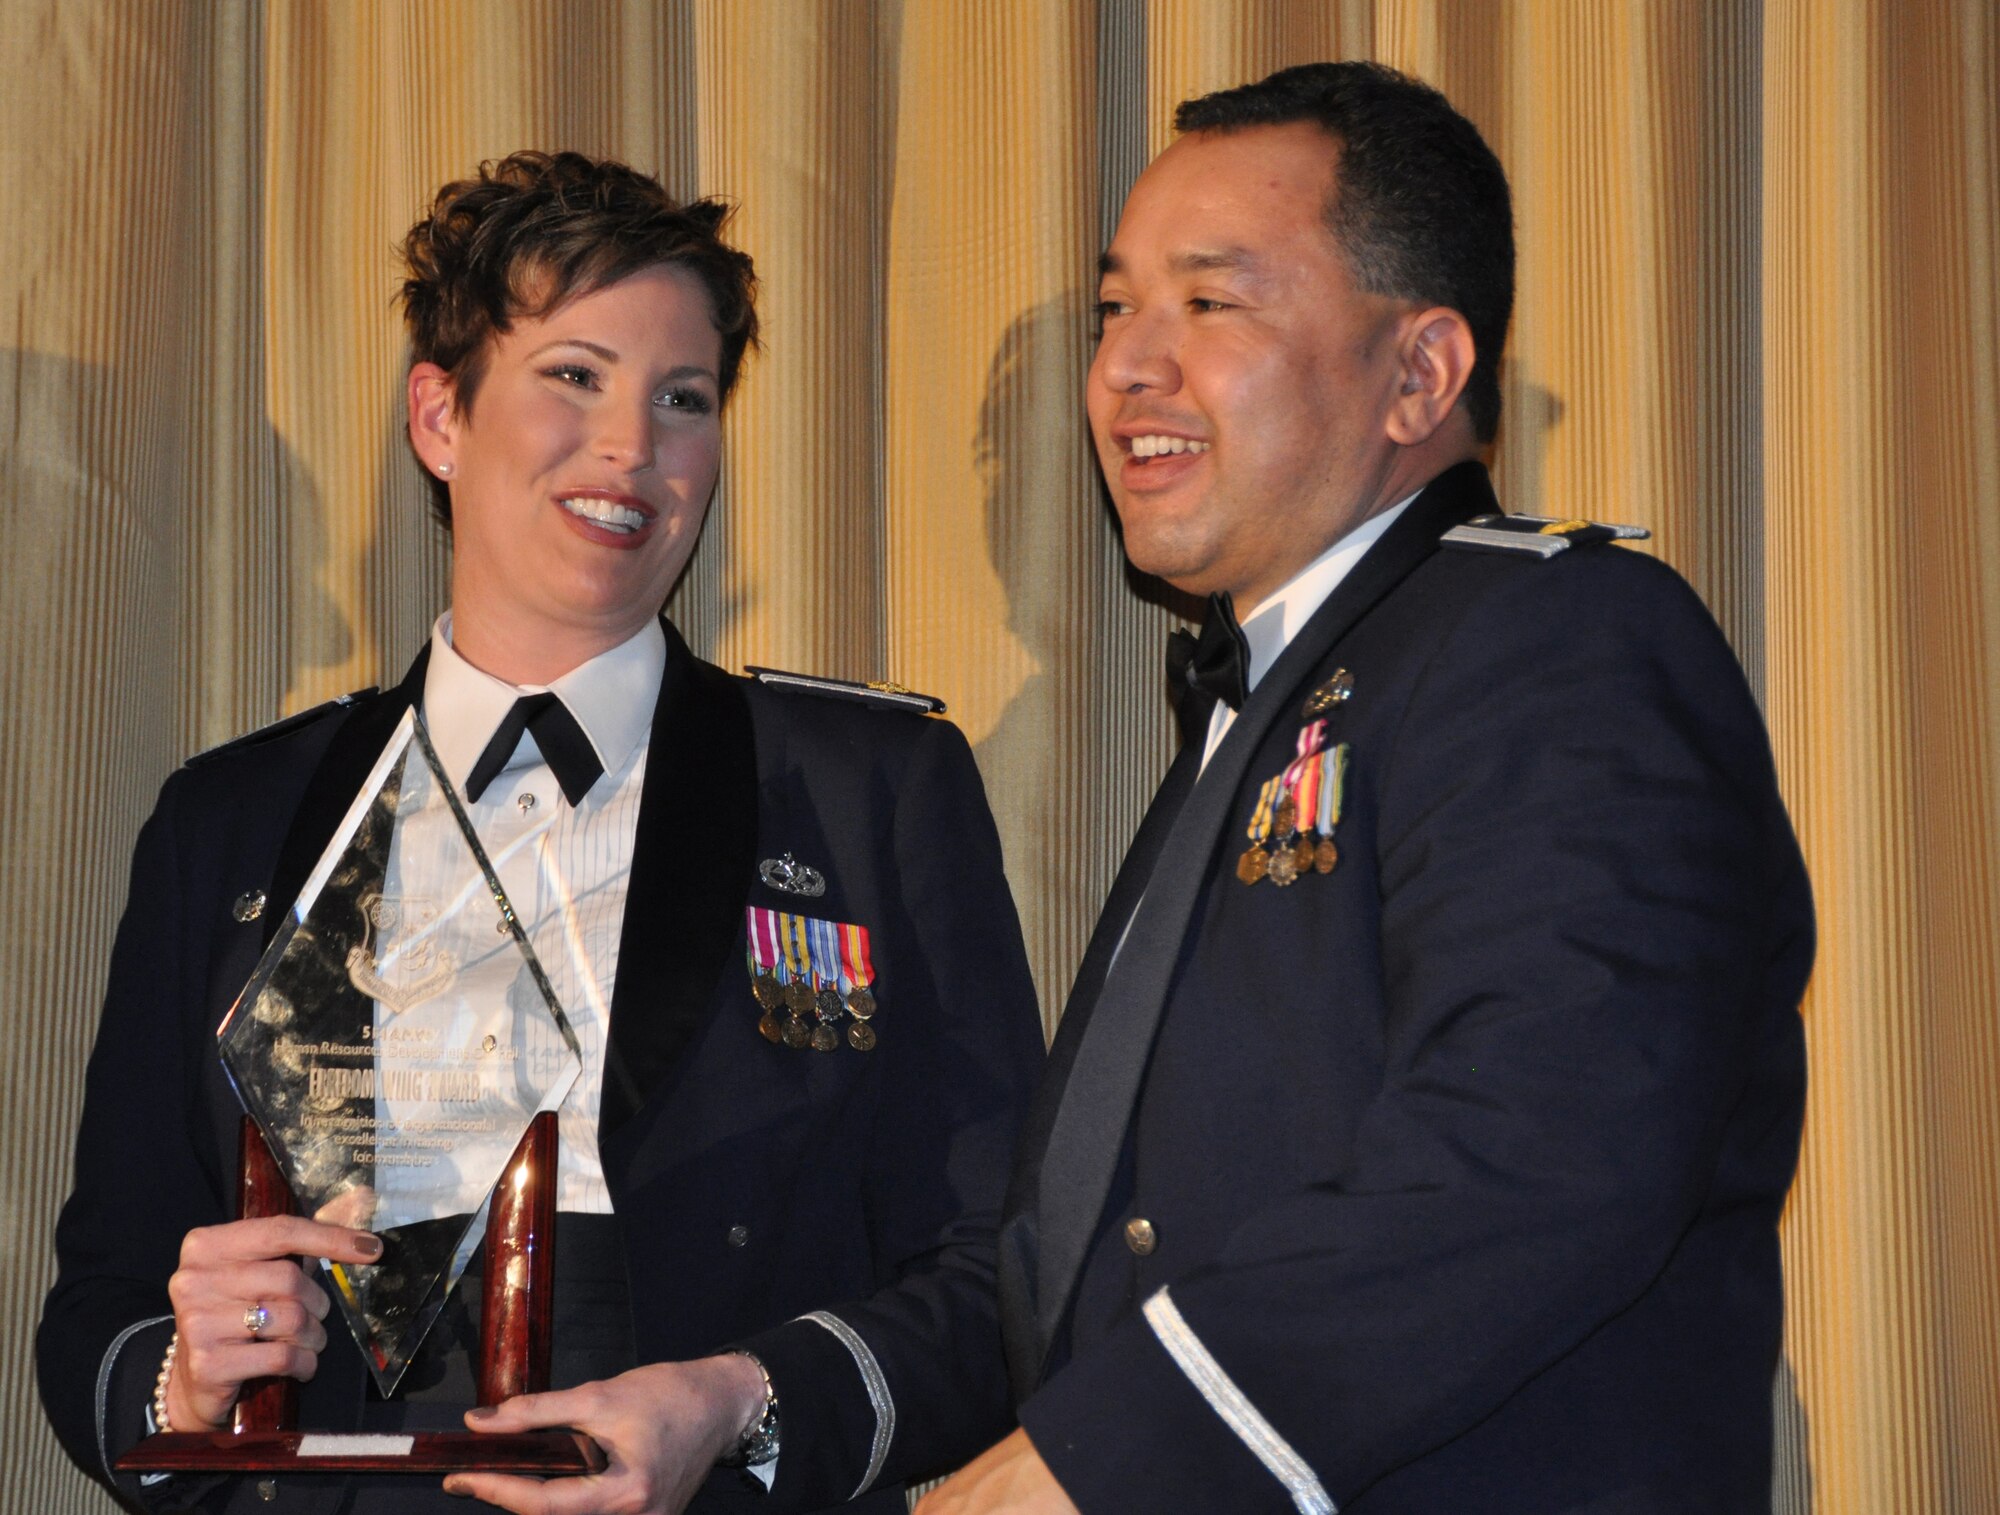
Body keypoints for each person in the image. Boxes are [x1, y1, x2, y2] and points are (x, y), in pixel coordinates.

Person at [40, 151, 1044, 1515]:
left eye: (682, 400)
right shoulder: (233, 823)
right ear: (439, 417)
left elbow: (1003, 1274)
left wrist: (741, 1404)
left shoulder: (873, 789)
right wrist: (192, 1384)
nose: (634, 448)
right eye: (575, 376)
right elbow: (104, 1293)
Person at [923, 62, 1813, 1514]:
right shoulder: (1278, 695)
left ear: (1420, 374)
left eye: (1210, 304)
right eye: (1115, 310)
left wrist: (1109, 1460)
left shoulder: (1558, 638)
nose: (1129, 369)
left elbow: (1542, 1152)